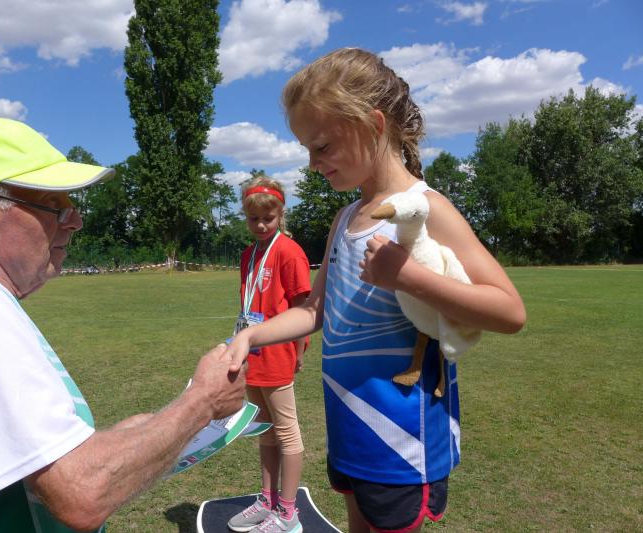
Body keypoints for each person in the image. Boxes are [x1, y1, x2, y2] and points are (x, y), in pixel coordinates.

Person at [0, 114, 246, 532]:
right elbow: (81, 493)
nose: (75, 220)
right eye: (54, 206)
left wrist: (152, 428)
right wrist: (202, 402)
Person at [225, 48, 526, 533]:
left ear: (371, 124)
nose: (312, 163)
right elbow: (315, 309)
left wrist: (408, 277)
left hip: (403, 440)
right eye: (307, 149)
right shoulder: (345, 218)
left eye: (322, 146)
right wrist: (250, 337)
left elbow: (509, 311)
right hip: (350, 429)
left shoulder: (425, 208)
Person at [227, 176, 311, 533]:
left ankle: (288, 512)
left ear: (281, 214)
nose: (261, 225)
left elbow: (303, 308)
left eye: (268, 218)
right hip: (253, 356)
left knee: (287, 432)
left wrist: (299, 351)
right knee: (263, 430)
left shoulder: (290, 252)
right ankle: (267, 499)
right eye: (253, 219)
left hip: (278, 356)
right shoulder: (249, 255)